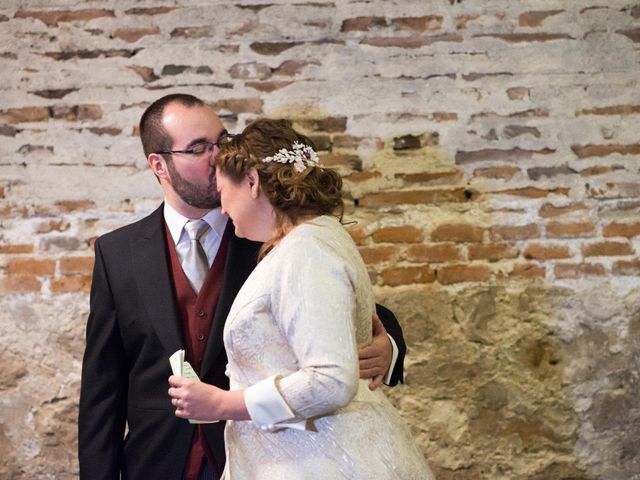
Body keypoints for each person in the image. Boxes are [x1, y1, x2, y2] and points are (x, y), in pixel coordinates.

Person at [78, 94, 407, 480]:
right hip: (158, 460)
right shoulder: (118, 254)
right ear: (159, 165)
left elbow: (350, 307)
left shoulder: (272, 229)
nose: (218, 156)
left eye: (222, 140)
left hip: (270, 454)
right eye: (199, 148)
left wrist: (390, 348)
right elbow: (103, 386)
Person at [167, 119, 433, 479]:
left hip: (316, 460)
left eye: (223, 192)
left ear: (252, 182)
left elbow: (331, 380)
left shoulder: (305, 250)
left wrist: (222, 403)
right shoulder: (318, 235)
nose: (223, 210)